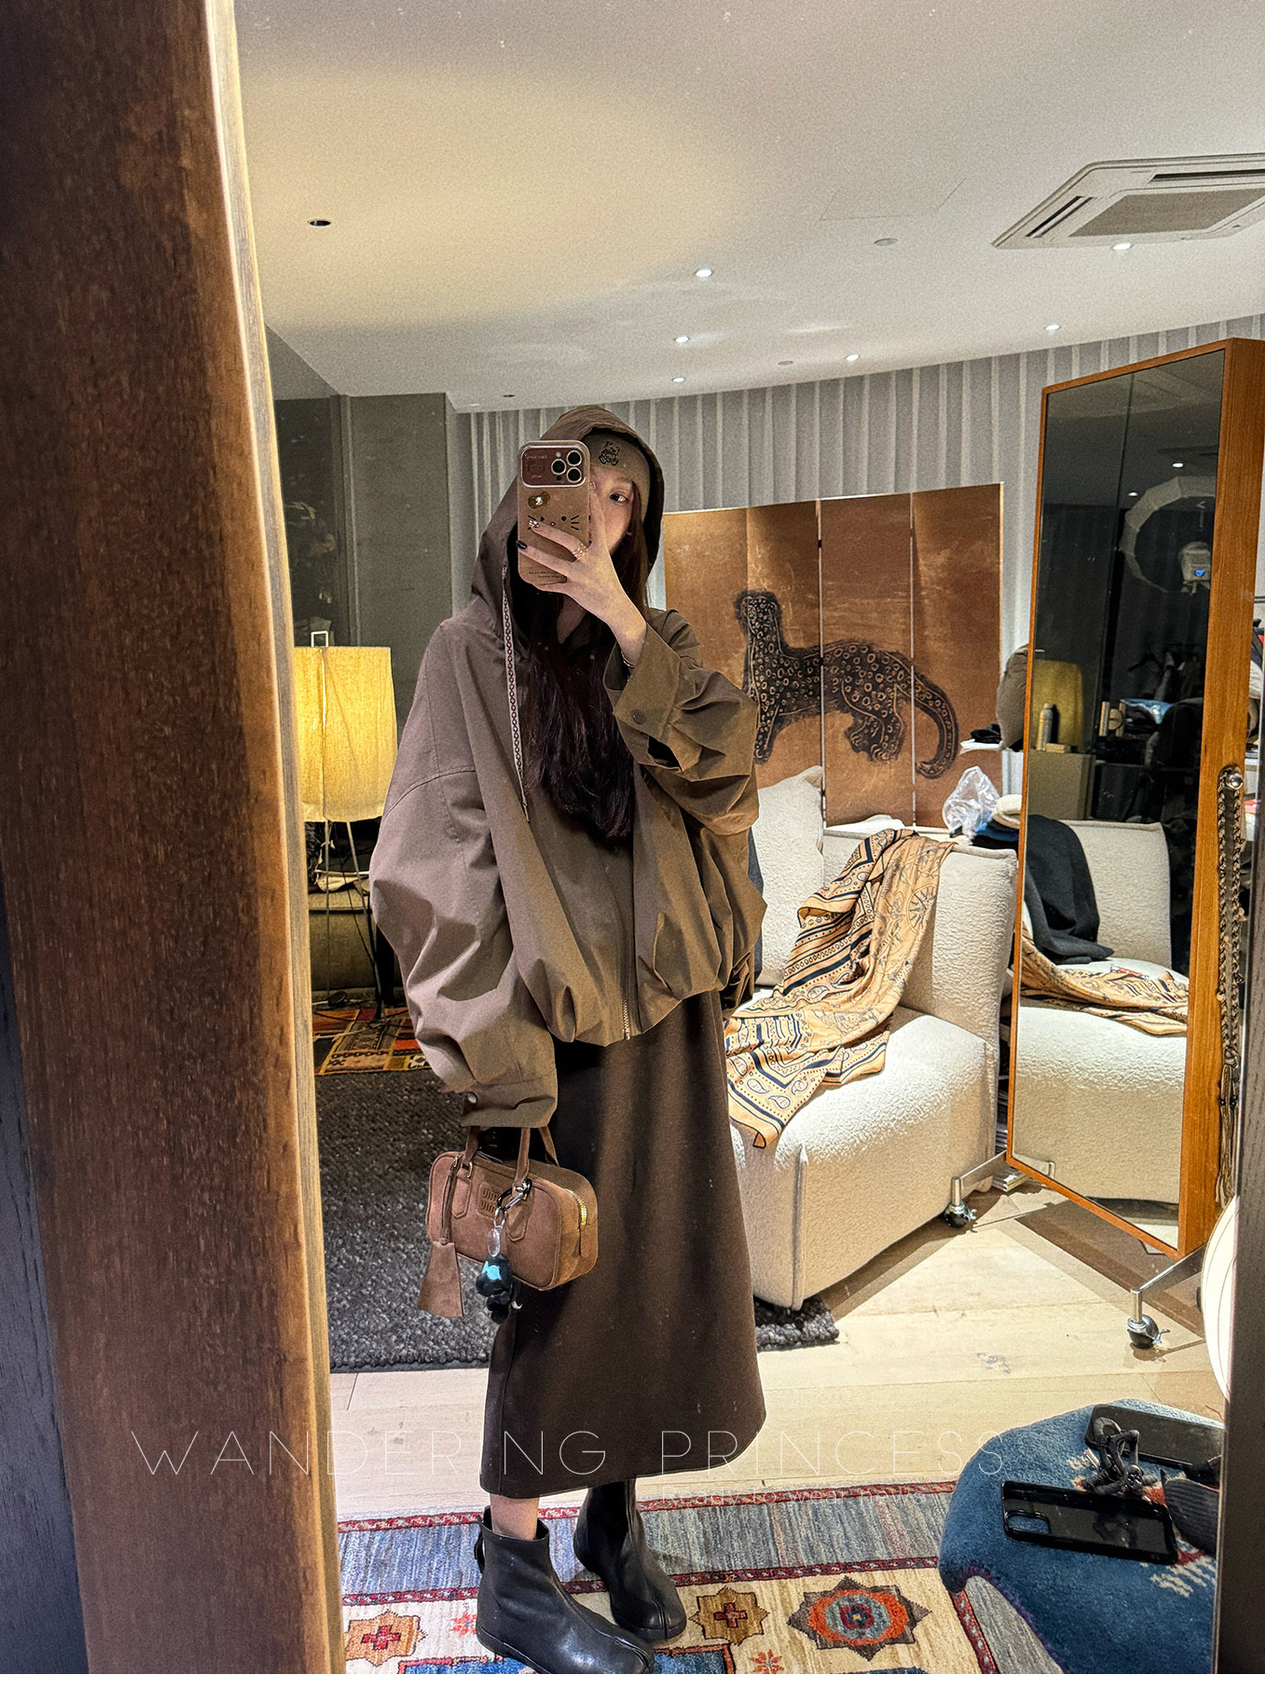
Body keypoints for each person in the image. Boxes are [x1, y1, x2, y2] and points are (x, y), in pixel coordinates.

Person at [368, 407, 766, 1674]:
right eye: (576, 482)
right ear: (523, 498)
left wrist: (630, 630)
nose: (597, 508)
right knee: (555, 1294)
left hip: (674, 1020)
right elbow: (433, 871)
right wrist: (496, 1065)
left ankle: (613, 1515)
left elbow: (730, 780)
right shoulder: (465, 656)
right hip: (551, 1036)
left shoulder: (660, 648)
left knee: (649, 1276)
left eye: (623, 497)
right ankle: (514, 1569)